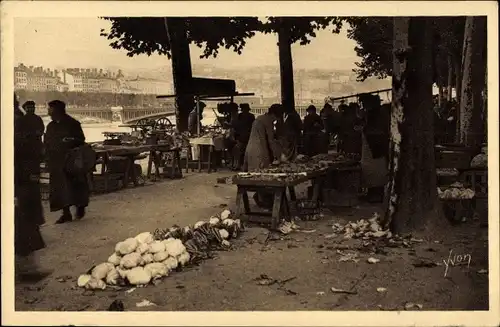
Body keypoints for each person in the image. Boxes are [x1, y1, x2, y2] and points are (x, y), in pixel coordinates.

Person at [14, 94, 50, 282]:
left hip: (23, 170)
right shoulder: (18, 120)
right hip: (22, 174)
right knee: (23, 219)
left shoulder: (27, 119)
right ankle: (27, 268)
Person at [44, 100, 89, 224]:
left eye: (50, 108)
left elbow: (81, 139)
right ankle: (66, 213)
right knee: (60, 188)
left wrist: (70, 140)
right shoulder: (51, 126)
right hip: (56, 161)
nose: (48, 111)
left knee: (74, 186)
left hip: (71, 161)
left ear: (57, 110)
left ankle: (80, 207)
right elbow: (46, 141)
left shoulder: (73, 123)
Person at [243, 104, 285, 209]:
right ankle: (263, 201)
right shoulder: (268, 121)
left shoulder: (260, 118)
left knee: (256, 176)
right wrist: (279, 156)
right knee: (262, 177)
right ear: (275, 115)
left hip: (250, 149)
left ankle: (261, 198)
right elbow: (270, 141)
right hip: (258, 151)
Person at [360, 96, 390, 203]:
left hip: (375, 149)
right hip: (373, 149)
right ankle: (372, 193)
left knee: (375, 172)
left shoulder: (376, 115)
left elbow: (376, 132)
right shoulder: (375, 114)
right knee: (372, 172)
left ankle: (376, 195)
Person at [232, 103, 255, 170]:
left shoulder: (241, 116)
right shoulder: (251, 116)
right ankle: (240, 165)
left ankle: (238, 165)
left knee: (237, 150)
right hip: (247, 137)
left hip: (244, 138)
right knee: (240, 150)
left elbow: (235, 126)